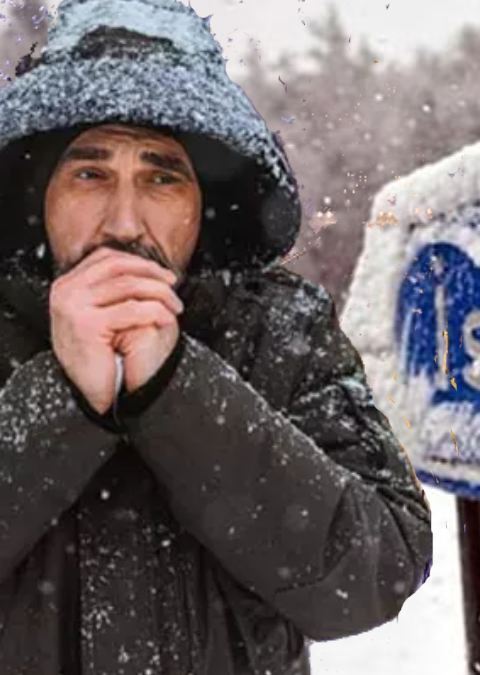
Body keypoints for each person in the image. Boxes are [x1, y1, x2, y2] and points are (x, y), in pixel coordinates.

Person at [0, 0, 434, 672]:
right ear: (40, 195)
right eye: (89, 173)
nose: (124, 221)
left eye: (161, 177)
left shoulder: (281, 327)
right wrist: (63, 398)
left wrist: (178, 388)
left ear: (202, 207)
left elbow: (378, 569)